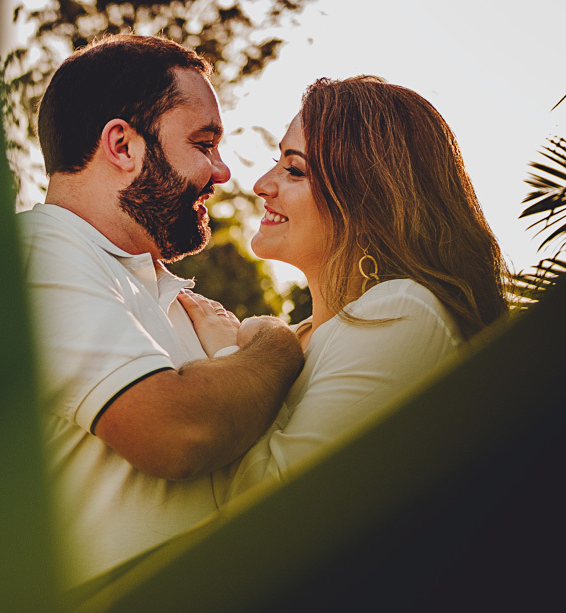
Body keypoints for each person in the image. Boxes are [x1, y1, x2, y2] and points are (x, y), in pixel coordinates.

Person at [19, 35, 304, 585]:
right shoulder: (37, 253)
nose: (222, 172)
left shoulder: (157, 289)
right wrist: (276, 343)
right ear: (122, 146)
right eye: (204, 144)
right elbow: (177, 432)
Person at [180, 76, 510, 503]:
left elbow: (274, 506)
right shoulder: (304, 334)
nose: (262, 184)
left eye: (294, 170)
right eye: (278, 161)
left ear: (367, 199)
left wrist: (236, 352)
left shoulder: (402, 311)